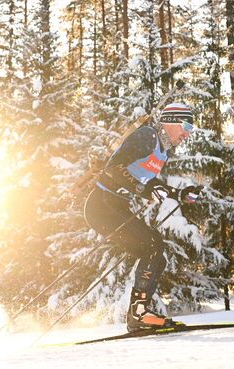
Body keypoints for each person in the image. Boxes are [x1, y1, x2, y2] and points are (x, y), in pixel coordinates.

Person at [84, 102, 203, 332]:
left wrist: (179, 193)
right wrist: (145, 191)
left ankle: (139, 314)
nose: (187, 133)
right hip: (102, 205)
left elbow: (148, 182)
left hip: (116, 206)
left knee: (157, 254)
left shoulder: (163, 150)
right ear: (170, 121)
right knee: (153, 245)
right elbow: (113, 169)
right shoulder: (147, 136)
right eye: (186, 125)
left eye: (191, 128)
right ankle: (138, 315)